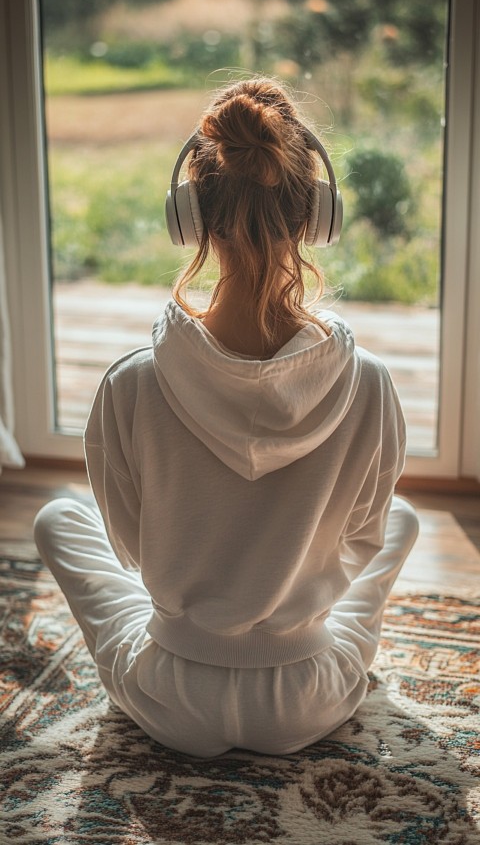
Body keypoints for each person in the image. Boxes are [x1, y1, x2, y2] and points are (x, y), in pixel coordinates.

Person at [34, 78, 419, 758]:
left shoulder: (130, 384)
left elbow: (131, 552)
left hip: (173, 693)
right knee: (403, 523)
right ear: (317, 217)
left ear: (189, 217)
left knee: (57, 519)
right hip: (307, 696)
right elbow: (362, 541)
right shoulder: (371, 385)